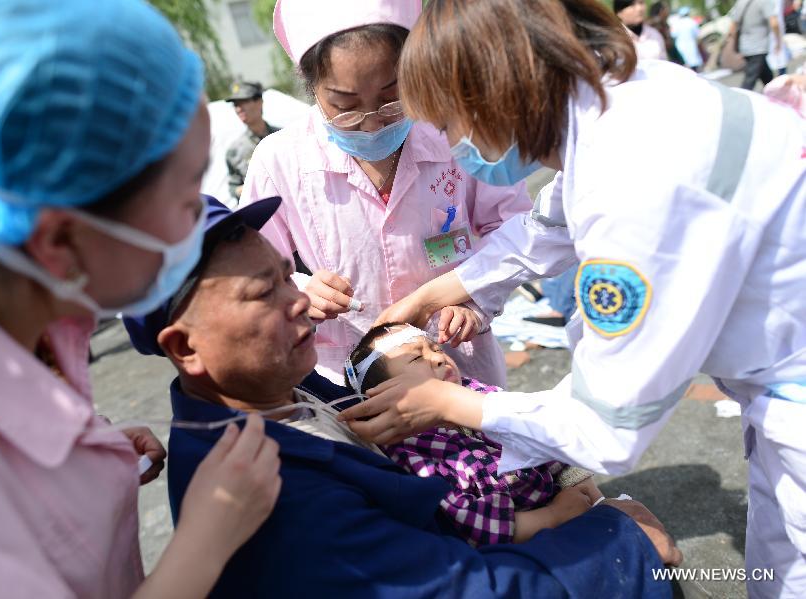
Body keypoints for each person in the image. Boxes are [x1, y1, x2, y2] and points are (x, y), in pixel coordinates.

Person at [334, 2, 806, 597]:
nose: (453, 146)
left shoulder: (632, 188)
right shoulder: (627, 102)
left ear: (493, 93)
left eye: (450, 124)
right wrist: (438, 291)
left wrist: (451, 404)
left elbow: (604, 424)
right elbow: (550, 225)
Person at [122, 196, 679, 598]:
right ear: (185, 348)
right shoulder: (261, 487)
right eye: (263, 292)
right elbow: (448, 590)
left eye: (289, 277)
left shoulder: (270, 394)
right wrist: (618, 544)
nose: (297, 301)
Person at [0, 1, 280, 596]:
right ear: (60, 239)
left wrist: (79, 467)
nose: (198, 220)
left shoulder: (28, 318)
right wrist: (205, 541)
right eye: (187, 196)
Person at [239, 0, 536, 389]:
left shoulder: (454, 131)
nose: (372, 123)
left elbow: (517, 227)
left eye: (391, 100)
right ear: (312, 88)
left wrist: (475, 299)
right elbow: (248, 268)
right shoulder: (280, 160)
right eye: (344, 107)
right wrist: (296, 291)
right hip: (351, 378)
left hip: (457, 363)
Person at [343, 322, 601, 546]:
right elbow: (468, 524)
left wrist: (583, 489)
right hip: (520, 545)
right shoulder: (410, 450)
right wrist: (554, 516)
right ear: (381, 393)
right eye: (416, 358)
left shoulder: (475, 392)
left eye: (436, 348)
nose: (438, 358)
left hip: (567, 501)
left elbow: (541, 432)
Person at [225, 81, 279, 204]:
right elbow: (233, 186)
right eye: (235, 105)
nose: (238, 109)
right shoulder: (234, 151)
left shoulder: (284, 136)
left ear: (259, 101)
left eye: (243, 102)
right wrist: (246, 190)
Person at [728, 0, 783, 90]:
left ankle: (776, 97)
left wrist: (735, 45)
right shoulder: (764, 2)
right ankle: (740, 101)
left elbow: (733, 26)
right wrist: (778, 41)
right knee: (749, 81)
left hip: (745, 46)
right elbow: (774, 23)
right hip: (758, 47)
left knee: (767, 77)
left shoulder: (741, 2)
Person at [648, 1, 686, 65]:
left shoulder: (662, 24)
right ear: (661, 11)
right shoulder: (656, 25)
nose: (668, 11)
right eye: (666, 8)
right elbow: (666, 45)